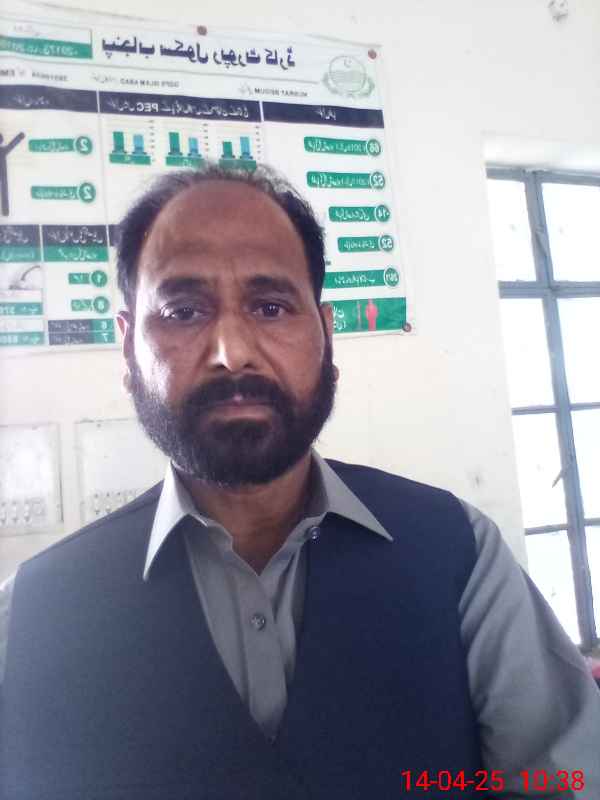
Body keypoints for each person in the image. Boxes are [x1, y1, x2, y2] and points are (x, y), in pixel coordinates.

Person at [1, 164, 599, 800]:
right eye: (182, 311)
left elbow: (562, 781)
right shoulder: (30, 616)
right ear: (127, 349)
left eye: (270, 307)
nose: (232, 351)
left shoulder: (459, 554)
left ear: (325, 332)